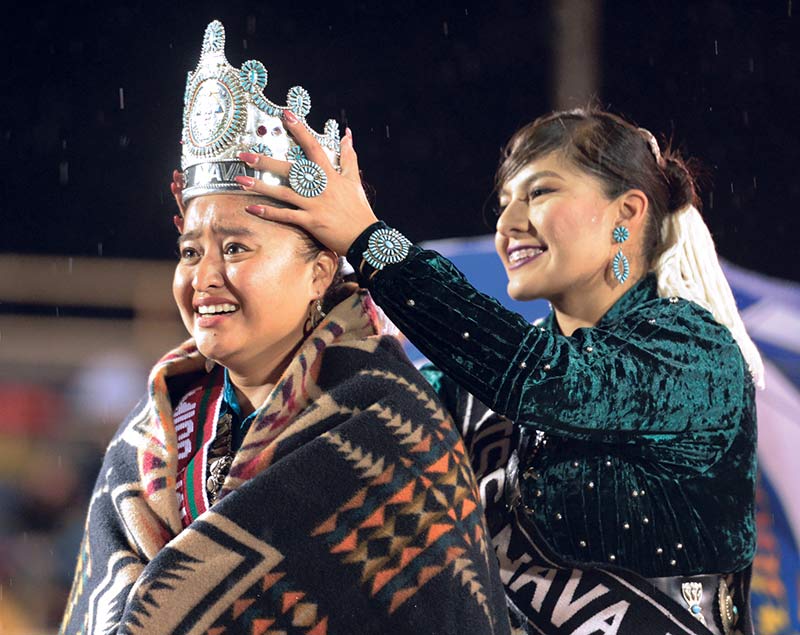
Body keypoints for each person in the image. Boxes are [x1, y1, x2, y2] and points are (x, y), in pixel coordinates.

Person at [225, 106, 763, 635]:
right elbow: (357, 419)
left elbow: (550, 381)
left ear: (627, 212)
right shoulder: (474, 387)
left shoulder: (696, 355)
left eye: (540, 192)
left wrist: (370, 241)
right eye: (505, 202)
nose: (507, 224)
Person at [60, 21, 511, 635]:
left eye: (237, 248)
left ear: (320, 271)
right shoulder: (141, 447)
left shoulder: (393, 436)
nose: (205, 276)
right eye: (191, 252)